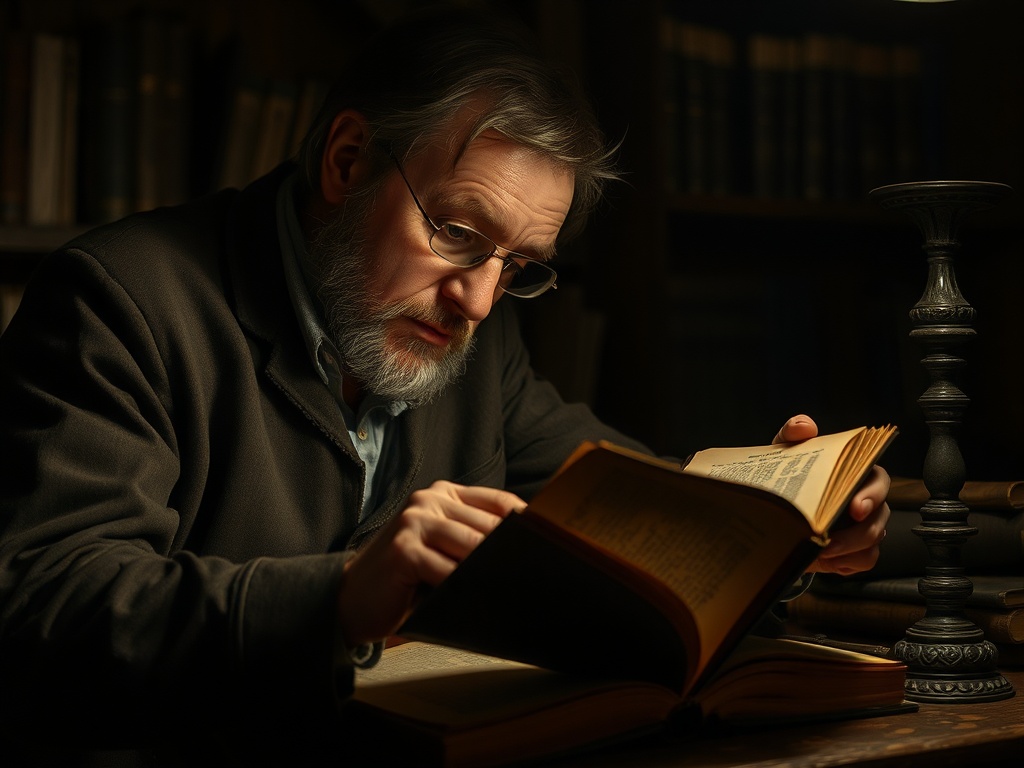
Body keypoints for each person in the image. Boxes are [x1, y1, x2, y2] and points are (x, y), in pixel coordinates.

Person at [0, 8, 890, 764]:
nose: (478, 299)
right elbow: (47, 604)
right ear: (347, 162)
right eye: (458, 231)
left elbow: (624, 508)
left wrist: (778, 524)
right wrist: (339, 596)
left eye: (519, 265)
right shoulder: (121, 301)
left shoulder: (469, 334)